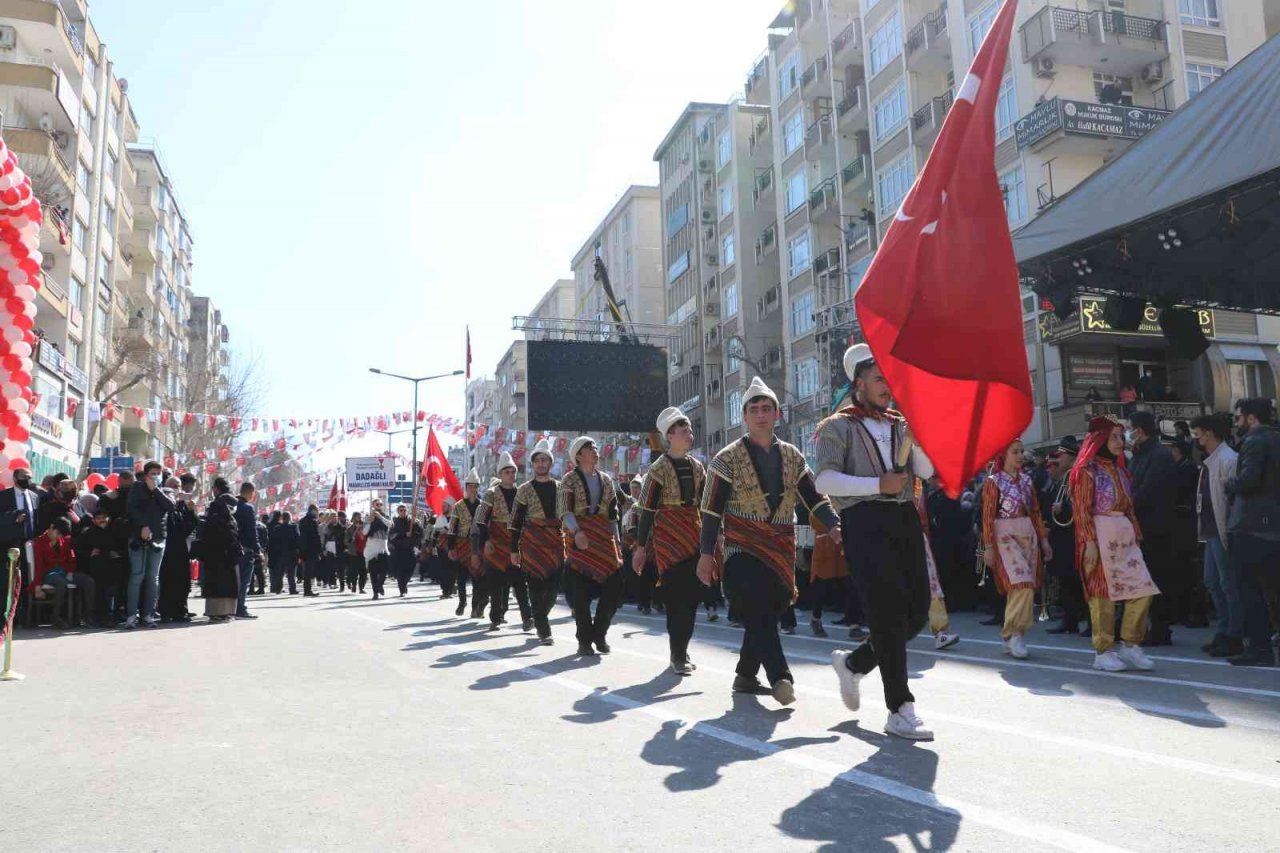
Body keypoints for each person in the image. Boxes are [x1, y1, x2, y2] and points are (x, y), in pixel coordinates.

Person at [817, 348, 936, 739]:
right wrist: (876, 485)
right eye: (880, 379)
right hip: (864, 521)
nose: (888, 387)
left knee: (917, 613)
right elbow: (825, 481)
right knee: (886, 613)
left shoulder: (901, 423)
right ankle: (899, 707)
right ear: (859, 384)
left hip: (904, 520)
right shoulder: (837, 426)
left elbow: (927, 471)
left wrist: (919, 438)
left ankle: (853, 664)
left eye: (890, 379)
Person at [700, 377, 838, 708]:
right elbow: (711, 509)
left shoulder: (792, 456)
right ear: (744, 417)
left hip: (779, 545)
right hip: (740, 546)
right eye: (754, 409)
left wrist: (834, 524)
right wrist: (706, 554)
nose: (761, 414)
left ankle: (746, 675)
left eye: (767, 408)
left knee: (771, 607)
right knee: (757, 603)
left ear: (777, 414)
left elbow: (813, 497)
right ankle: (781, 676)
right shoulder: (726, 458)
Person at [1070, 416, 1159, 672]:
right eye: (1115, 437)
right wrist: (1088, 542)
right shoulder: (1086, 472)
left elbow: (1129, 509)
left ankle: (1130, 644)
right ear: (1100, 441)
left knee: (1142, 588)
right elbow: (1081, 511)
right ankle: (1103, 650)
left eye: (1122, 437)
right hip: (1100, 536)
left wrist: (1136, 536)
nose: (1121, 442)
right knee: (1102, 595)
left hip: (1125, 537)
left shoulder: (1121, 471)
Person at [632, 407, 707, 675]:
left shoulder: (698, 467)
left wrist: (716, 536)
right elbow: (647, 511)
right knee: (677, 598)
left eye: (689, 429)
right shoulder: (658, 470)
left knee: (692, 598)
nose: (689, 433)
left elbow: (707, 507)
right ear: (670, 435)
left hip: (694, 536)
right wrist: (641, 548)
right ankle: (678, 655)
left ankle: (681, 649)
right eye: (684, 430)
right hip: (668, 540)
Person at [981, 441, 1052, 659]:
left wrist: (1044, 541)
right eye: (1015, 452)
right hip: (1004, 534)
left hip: (1028, 534)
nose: (1020, 456)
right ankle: (1016, 634)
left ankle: (1009, 634)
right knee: (1021, 583)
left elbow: (1036, 513)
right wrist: (989, 547)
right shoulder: (994, 482)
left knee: (1024, 586)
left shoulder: (1028, 480)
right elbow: (988, 516)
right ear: (1003, 454)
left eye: (1022, 452)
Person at [1224, 398, 1280, 667]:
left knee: (1249, 589)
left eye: (1238, 418)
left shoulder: (1255, 441)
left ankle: (1259, 649)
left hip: (1251, 526)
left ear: (1251, 418)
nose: (1237, 423)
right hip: (1274, 526)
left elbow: (1249, 479)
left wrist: (1228, 483)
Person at [558, 436, 625, 656]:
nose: (595, 451)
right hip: (579, 537)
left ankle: (600, 633)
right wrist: (576, 532)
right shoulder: (568, 480)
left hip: (603, 538)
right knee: (580, 594)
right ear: (579, 456)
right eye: (590, 448)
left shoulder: (606, 480)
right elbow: (565, 511)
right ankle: (584, 640)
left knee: (614, 589)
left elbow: (613, 514)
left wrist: (616, 540)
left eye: (596, 447)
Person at [1190, 413, 1241, 657]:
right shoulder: (1211, 460)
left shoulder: (1229, 459)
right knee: (1213, 581)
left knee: (1227, 583)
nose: (1195, 438)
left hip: (1223, 531)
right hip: (1210, 531)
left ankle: (1234, 634)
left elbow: (1234, 500)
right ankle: (1224, 631)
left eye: (1197, 432)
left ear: (1208, 433)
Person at [1127, 411, 1178, 646]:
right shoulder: (1139, 455)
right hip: (1142, 526)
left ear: (1140, 430)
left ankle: (1160, 629)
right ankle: (1149, 626)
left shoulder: (1158, 455)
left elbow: (1147, 491)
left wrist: (1125, 505)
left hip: (1156, 526)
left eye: (1130, 428)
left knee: (1158, 578)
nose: (1128, 433)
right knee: (1146, 578)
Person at [510, 439, 563, 645]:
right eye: (537, 461)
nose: (541, 464)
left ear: (550, 463)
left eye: (544, 460)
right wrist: (514, 549)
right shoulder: (524, 489)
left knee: (553, 588)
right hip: (532, 541)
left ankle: (540, 615)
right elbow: (515, 521)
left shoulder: (560, 487)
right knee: (535, 586)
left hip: (557, 540)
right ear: (532, 464)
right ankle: (544, 630)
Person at [474, 453, 533, 630]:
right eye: (507, 471)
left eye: (513, 471)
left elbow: (528, 517)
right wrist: (486, 541)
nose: (511, 474)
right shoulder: (491, 493)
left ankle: (527, 618)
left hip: (516, 542)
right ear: (500, 474)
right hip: (496, 541)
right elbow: (481, 519)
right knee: (496, 583)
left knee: (520, 582)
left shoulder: (522, 492)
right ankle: (495, 617)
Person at [124, 461, 176, 629]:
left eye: (158, 473)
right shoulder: (137, 488)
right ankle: (131, 616)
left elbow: (170, 507)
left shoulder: (165, 491)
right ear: (146, 474)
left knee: (153, 578)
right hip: (138, 538)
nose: (156, 476)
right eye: (152, 473)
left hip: (159, 539)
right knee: (136, 576)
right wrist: (142, 527)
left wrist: (156, 489)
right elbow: (131, 509)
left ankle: (148, 615)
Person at [1042, 437, 1085, 635]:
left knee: (1078, 581)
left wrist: (1064, 507)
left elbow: (1081, 503)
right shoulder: (1066, 477)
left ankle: (1087, 620)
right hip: (1062, 536)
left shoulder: (1077, 475)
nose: (1059, 460)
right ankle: (1070, 620)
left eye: (1063, 456)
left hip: (1073, 535)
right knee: (1066, 581)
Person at [916, 486, 960, 651]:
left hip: (918, 538)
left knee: (932, 585)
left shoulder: (917, 485)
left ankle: (941, 632)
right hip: (892, 541)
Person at [31, 517, 93, 628]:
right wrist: (37, 586)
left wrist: (70, 572)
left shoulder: (65, 540)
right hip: (49, 574)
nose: (59, 537)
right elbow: (39, 565)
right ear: (51, 527)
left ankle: (88, 615)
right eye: (58, 533)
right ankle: (56, 617)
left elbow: (72, 558)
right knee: (61, 582)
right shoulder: (40, 542)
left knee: (88, 581)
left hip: (64, 571)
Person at [196, 481, 243, 623]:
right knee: (230, 581)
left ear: (216, 489)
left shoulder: (217, 504)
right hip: (231, 548)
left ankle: (216, 613)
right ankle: (228, 612)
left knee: (216, 581)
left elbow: (212, 527)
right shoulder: (236, 504)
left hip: (216, 549)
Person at [0, 467, 40, 621]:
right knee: (8, 580)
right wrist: (14, 518)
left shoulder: (34, 496)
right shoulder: (4, 496)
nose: (28, 480)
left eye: (30, 477)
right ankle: (6, 615)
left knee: (25, 580)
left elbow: (36, 520)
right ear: (16, 478)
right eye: (25, 477)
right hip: (9, 544)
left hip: (29, 544)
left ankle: (23, 615)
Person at [157, 477, 199, 623]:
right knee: (167, 582)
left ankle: (181, 610)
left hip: (180, 549)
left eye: (178, 486)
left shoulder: (182, 505)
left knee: (182, 582)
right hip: (167, 549)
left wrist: (191, 511)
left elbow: (191, 524)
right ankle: (166, 611)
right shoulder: (164, 504)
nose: (177, 489)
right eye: (174, 486)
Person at [75, 506, 122, 626]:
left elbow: (123, 547)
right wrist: (89, 553)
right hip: (95, 568)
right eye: (98, 518)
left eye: (104, 518)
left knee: (112, 590)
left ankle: (110, 615)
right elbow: (78, 548)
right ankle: (97, 616)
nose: (102, 520)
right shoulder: (88, 532)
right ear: (94, 520)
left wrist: (118, 554)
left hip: (112, 567)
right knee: (99, 591)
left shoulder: (115, 531)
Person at [448, 473, 487, 618]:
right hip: (462, 543)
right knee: (461, 576)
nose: (472, 489)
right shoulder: (458, 506)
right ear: (466, 488)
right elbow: (452, 527)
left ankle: (475, 606)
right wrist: (451, 547)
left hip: (477, 545)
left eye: (475, 487)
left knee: (478, 577)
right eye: (470, 486)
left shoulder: (483, 505)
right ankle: (462, 601)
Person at [233, 482, 260, 619]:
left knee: (234, 580)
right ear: (251, 492)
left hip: (232, 548)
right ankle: (240, 609)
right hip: (246, 549)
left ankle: (232, 608)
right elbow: (251, 531)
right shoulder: (248, 508)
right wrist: (257, 548)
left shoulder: (232, 505)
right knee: (244, 581)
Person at [364, 500, 392, 600]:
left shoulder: (385, 516)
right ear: (373, 506)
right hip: (372, 548)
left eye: (380, 504)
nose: (379, 506)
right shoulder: (368, 517)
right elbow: (364, 532)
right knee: (373, 573)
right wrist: (370, 522)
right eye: (377, 504)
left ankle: (380, 585)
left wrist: (380, 517)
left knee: (384, 571)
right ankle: (375, 593)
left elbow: (390, 524)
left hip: (383, 548)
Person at [269, 510, 302, 594]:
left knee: (280, 573)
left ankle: (278, 588)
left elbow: (273, 541)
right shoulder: (294, 527)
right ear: (290, 518)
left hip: (280, 554)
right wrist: (299, 552)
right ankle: (292, 589)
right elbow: (297, 540)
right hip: (291, 553)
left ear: (282, 518)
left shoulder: (277, 528)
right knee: (291, 573)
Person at [389, 505, 418, 598]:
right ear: (398, 511)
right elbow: (392, 536)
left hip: (410, 549)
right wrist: (404, 534)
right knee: (401, 571)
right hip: (399, 550)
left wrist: (413, 534)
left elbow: (419, 533)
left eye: (405, 510)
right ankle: (402, 590)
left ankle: (405, 582)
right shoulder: (395, 522)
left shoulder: (412, 521)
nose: (403, 512)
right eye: (401, 510)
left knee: (411, 568)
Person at [299, 504, 322, 597]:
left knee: (306, 570)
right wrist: (319, 548)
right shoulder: (312, 521)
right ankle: (307, 590)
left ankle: (307, 589)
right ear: (313, 510)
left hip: (304, 548)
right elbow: (315, 536)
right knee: (308, 570)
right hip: (311, 549)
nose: (318, 513)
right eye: (317, 510)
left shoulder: (302, 521)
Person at [344, 511, 367, 594]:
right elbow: (346, 541)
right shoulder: (349, 529)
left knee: (363, 571)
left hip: (364, 552)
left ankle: (361, 588)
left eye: (360, 517)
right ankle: (353, 585)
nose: (360, 519)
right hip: (354, 552)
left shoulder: (365, 527)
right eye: (358, 517)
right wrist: (355, 531)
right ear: (353, 519)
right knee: (354, 571)